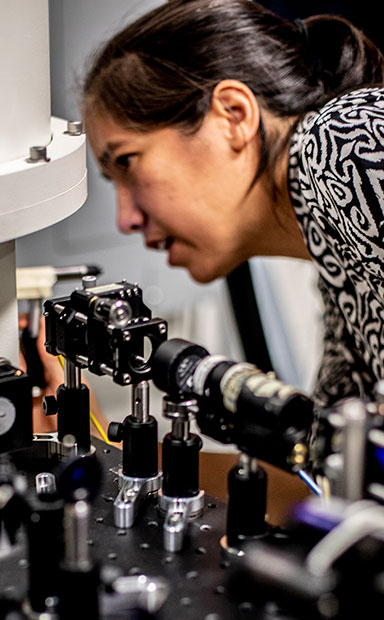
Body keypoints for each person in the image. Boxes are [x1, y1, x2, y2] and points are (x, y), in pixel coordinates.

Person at [82, 0, 384, 414]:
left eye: (128, 162)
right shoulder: (336, 264)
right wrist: (103, 447)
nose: (126, 220)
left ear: (232, 117)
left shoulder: (346, 144)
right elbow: (330, 466)